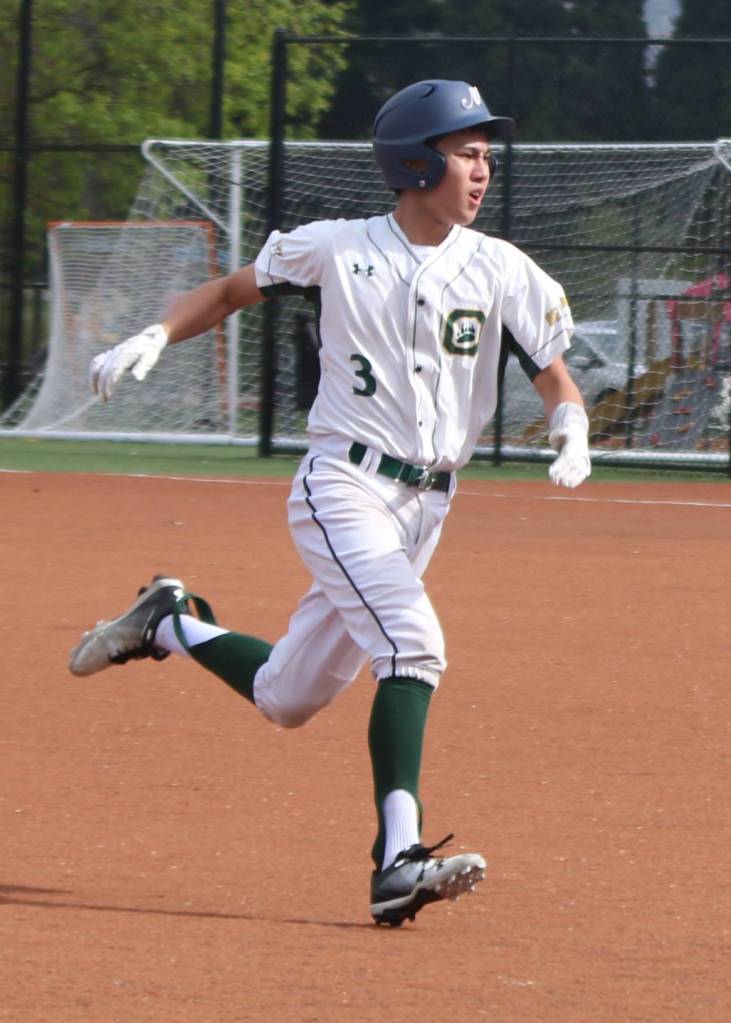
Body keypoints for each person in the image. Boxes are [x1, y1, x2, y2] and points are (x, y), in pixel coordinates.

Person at [69, 79, 591, 927]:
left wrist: (570, 426)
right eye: (466, 153)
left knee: (288, 695)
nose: (481, 170)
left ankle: (166, 620)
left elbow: (555, 377)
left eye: (485, 155)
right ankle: (398, 859)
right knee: (414, 644)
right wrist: (155, 335)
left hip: (426, 506)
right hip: (341, 485)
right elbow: (232, 290)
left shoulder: (501, 269)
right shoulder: (336, 248)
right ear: (417, 161)